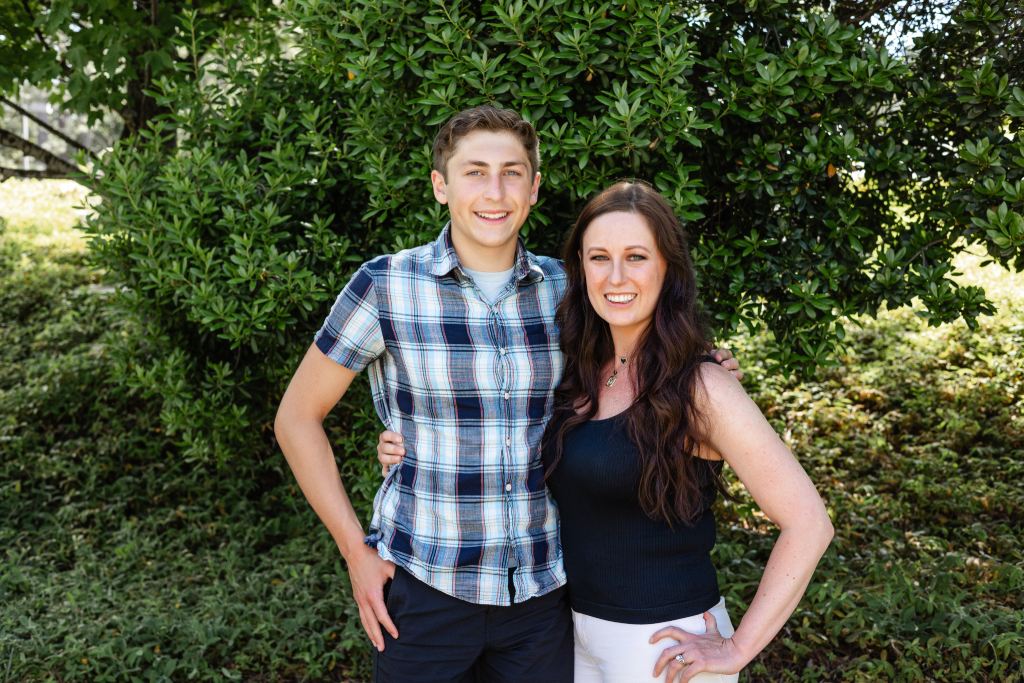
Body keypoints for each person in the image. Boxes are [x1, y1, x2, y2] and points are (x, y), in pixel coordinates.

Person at [275, 105, 741, 682]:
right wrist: (355, 550)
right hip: (423, 588)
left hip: (542, 598)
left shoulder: (572, 292)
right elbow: (297, 417)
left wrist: (707, 371)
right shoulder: (386, 286)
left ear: (534, 188)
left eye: (511, 173)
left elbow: (641, 363)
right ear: (440, 185)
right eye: (474, 172)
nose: (494, 192)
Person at [380, 181, 833, 682]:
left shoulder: (702, 386)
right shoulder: (582, 373)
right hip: (577, 639)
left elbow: (809, 523)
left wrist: (738, 647)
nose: (616, 277)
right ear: (581, 269)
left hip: (664, 648)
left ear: (668, 267)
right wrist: (411, 448)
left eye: (636, 256)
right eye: (599, 258)